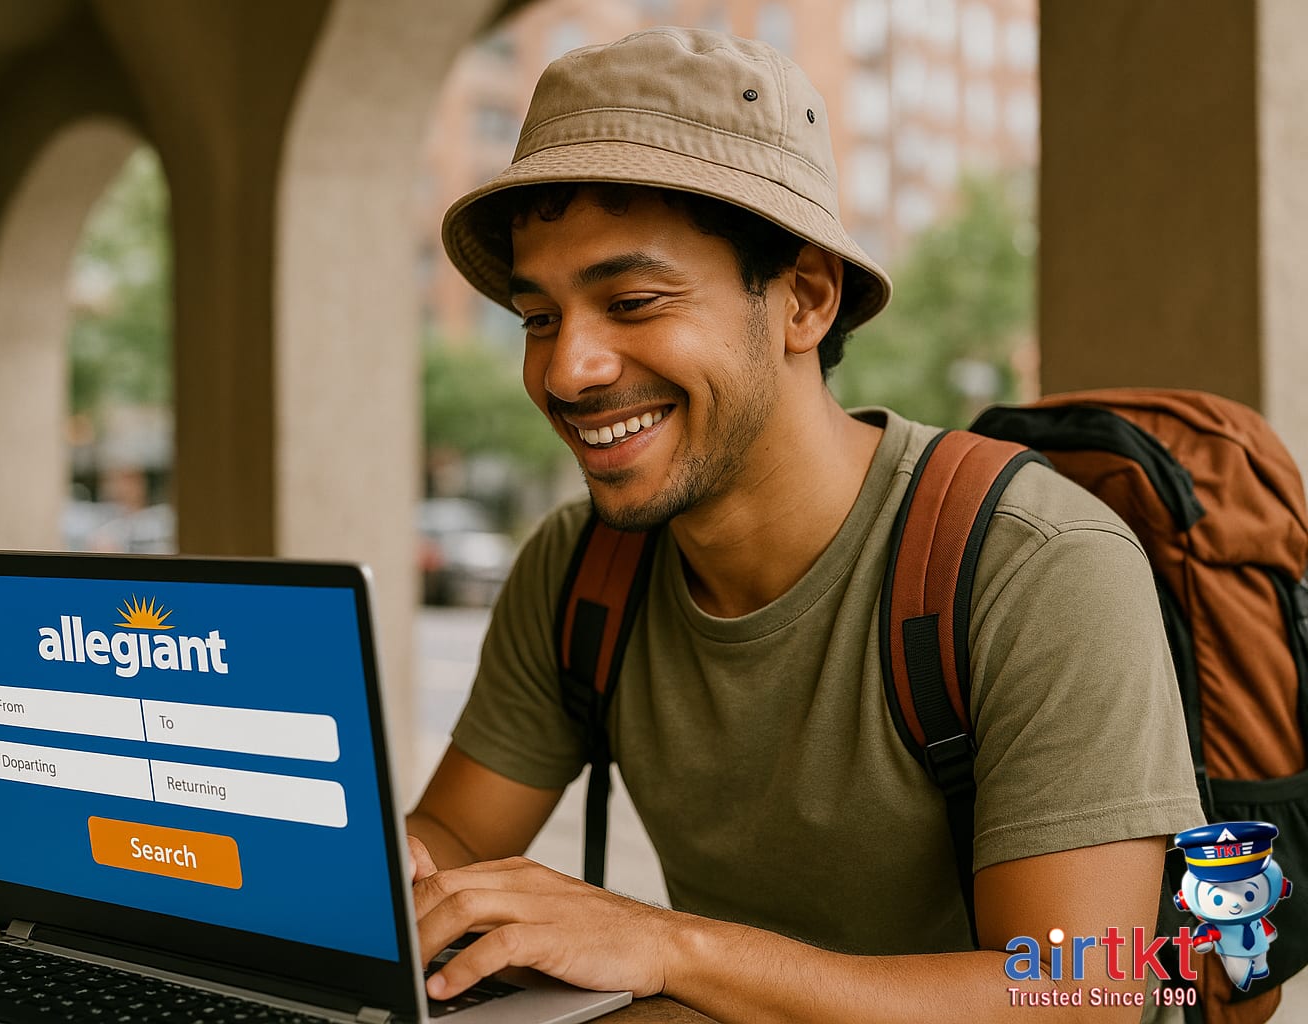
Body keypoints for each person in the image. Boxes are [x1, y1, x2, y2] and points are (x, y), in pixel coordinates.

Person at [409, 26, 1203, 1020]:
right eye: (539, 317)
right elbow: (454, 834)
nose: (568, 369)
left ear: (806, 298)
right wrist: (341, 865)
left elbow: (1082, 992)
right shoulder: (581, 569)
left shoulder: (1034, 564)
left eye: (633, 300)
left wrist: (666, 943)